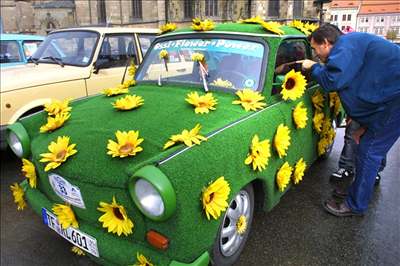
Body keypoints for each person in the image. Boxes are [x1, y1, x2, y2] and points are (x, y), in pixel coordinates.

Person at [301, 24, 400, 217]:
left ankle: (355, 205)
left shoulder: (345, 45)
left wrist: (312, 68)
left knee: (368, 152)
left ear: (327, 43)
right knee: (366, 146)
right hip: (390, 102)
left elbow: (332, 81)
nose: (315, 54)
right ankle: (360, 189)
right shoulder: (352, 45)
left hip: (395, 103)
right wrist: (364, 126)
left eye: (315, 48)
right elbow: (369, 89)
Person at [331, 117, 385, 186]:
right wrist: (351, 115)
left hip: (384, 109)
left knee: (378, 138)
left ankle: (374, 170)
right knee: (352, 133)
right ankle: (346, 166)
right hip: (362, 109)